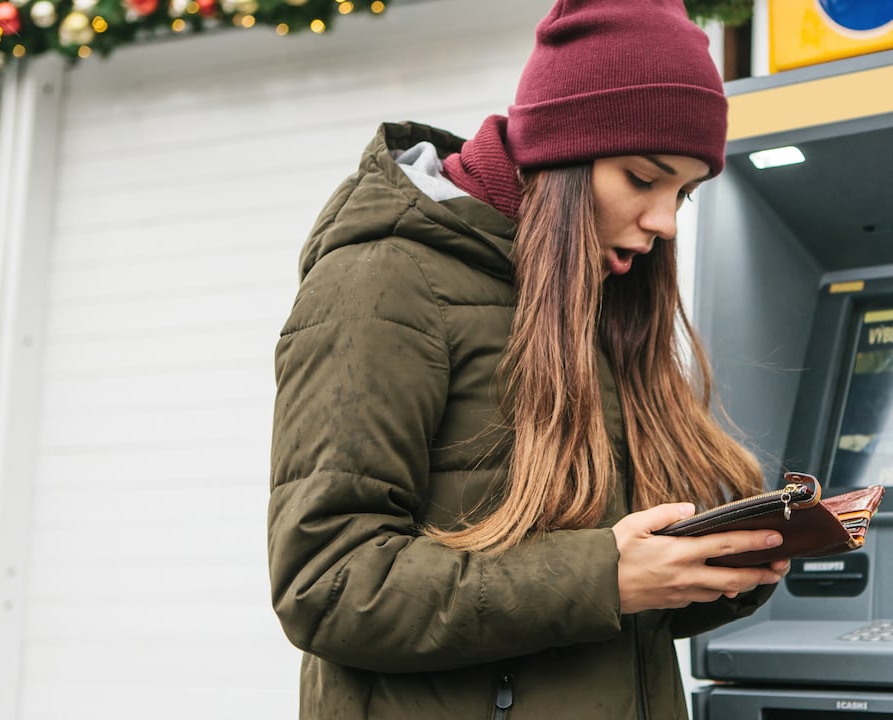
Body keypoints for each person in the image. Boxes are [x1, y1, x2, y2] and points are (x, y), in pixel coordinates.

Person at [267, 0, 790, 717]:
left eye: (684, 194)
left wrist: (712, 569)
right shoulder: (382, 281)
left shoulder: (596, 290)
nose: (665, 222)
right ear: (561, 151)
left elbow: (603, 618)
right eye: (644, 178)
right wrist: (604, 577)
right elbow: (326, 585)